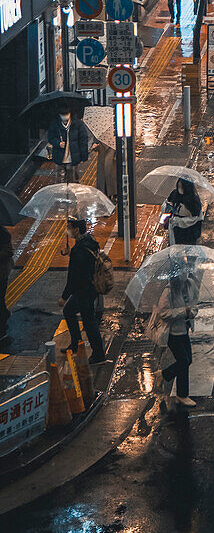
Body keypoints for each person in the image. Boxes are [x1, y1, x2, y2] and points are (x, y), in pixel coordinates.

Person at [58, 218, 107, 364]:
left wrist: (64, 296)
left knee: (89, 322)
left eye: (69, 227)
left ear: (77, 229)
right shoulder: (88, 242)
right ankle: (76, 344)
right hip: (90, 289)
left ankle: (98, 355)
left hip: (83, 291)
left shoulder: (79, 250)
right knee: (73, 313)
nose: (68, 230)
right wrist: (70, 253)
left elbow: (73, 276)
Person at [151, 277, 197, 408]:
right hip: (173, 333)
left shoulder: (189, 284)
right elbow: (163, 312)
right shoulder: (169, 290)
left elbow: (194, 303)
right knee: (184, 361)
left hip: (185, 329)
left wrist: (192, 312)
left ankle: (165, 376)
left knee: (187, 361)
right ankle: (181, 394)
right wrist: (183, 312)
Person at [47, 106, 89, 184]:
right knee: (59, 182)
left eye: (66, 114)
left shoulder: (78, 124)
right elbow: (51, 138)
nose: (64, 116)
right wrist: (58, 143)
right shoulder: (55, 124)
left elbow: (83, 140)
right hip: (59, 157)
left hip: (73, 158)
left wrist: (84, 155)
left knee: (73, 181)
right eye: (62, 114)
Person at [164, 178, 203, 245]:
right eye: (179, 187)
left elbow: (194, 218)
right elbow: (168, 204)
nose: (180, 189)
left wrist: (177, 221)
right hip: (177, 230)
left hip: (189, 231)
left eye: (181, 187)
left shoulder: (193, 200)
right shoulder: (174, 194)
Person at [0, 226, 12, 341]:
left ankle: (2, 332)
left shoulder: (3, 233)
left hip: (1, 274)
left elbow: (9, 251)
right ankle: (5, 314)